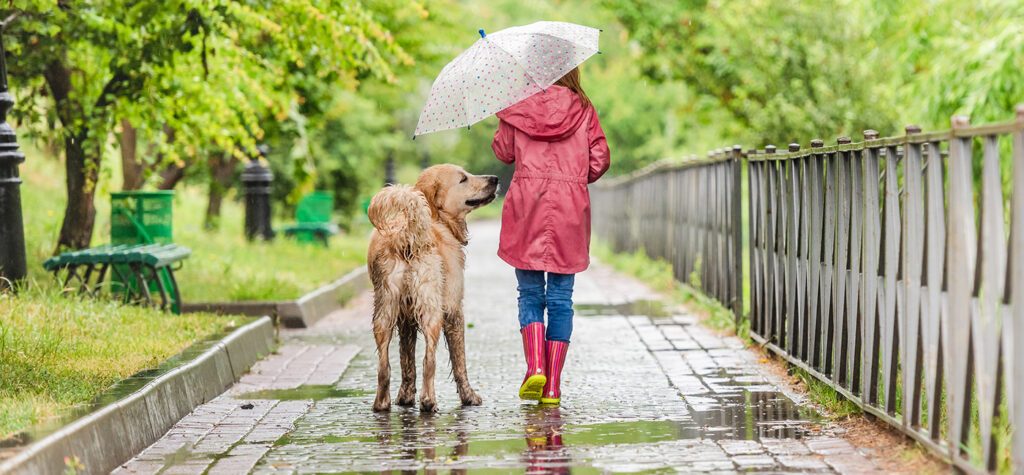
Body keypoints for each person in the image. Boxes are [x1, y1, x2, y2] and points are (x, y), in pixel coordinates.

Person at [491, 67, 611, 405]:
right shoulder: (584, 108)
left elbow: (503, 152)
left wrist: (506, 118)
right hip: (570, 207)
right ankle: (553, 386)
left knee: (529, 293)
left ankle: (535, 368)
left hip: (527, 204)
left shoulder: (517, 105)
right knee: (561, 298)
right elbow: (600, 159)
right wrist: (574, 175)